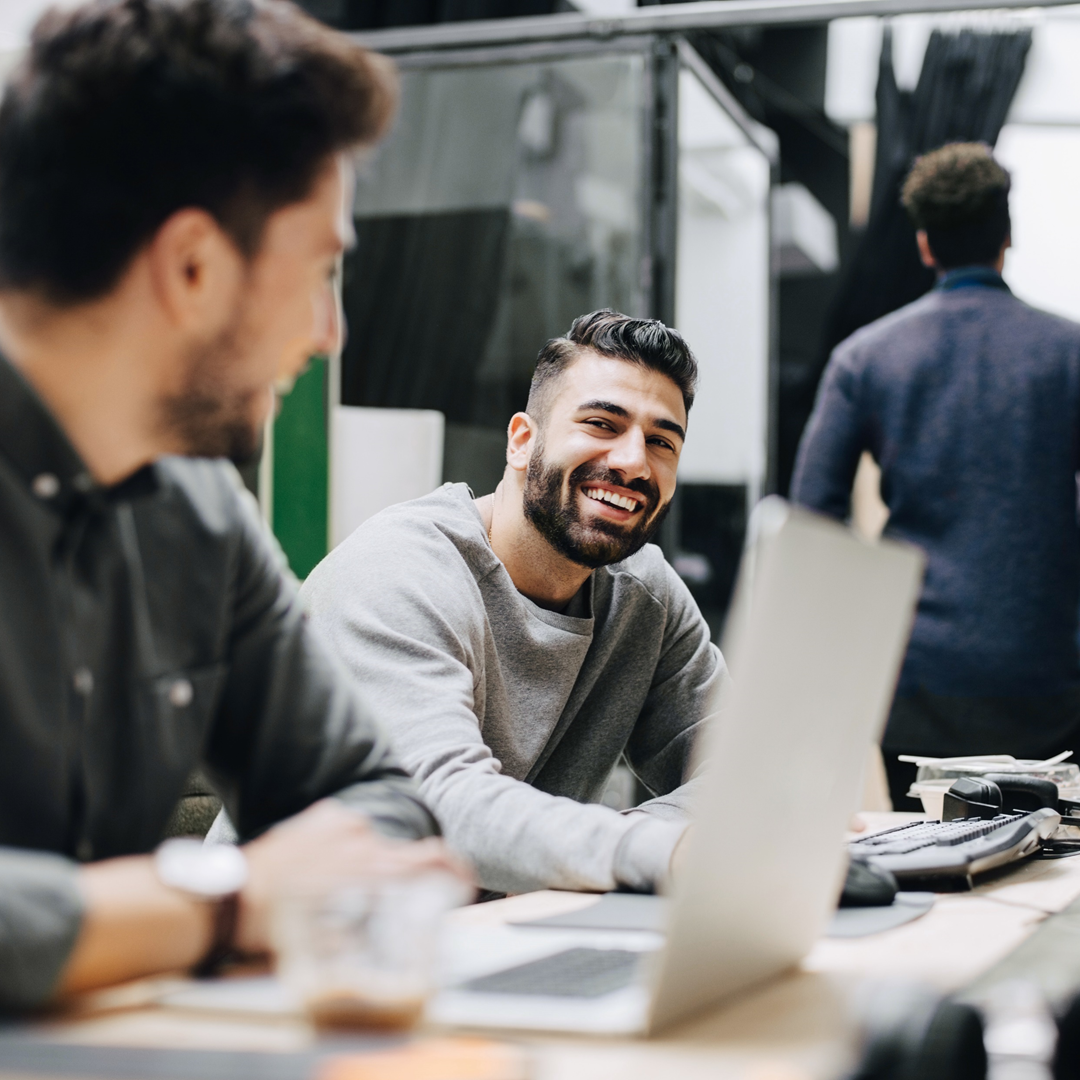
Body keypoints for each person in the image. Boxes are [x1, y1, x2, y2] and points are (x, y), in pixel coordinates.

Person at [0, 0, 461, 1011]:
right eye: (321, 272)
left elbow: (379, 806)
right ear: (194, 269)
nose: (329, 333)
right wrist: (220, 899)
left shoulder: (199, 515)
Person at [300, 310, 727, 895]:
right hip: (299, 955)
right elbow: (441, 811)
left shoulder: (645, 598)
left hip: (501, 939)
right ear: (522, 441)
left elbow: (738, 772)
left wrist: (663, 839)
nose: (633, 462)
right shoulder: (399, 574)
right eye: (602, 423)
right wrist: (657, 848)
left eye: (660, 442)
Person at [791, 142, 1080, 808]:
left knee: (935, 857)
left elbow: (813, 517)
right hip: (1047, 677)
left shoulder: (866, 357)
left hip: (914, 679)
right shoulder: (1067, 353)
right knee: (1048, 868)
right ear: (1008, 236)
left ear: (925, 245)